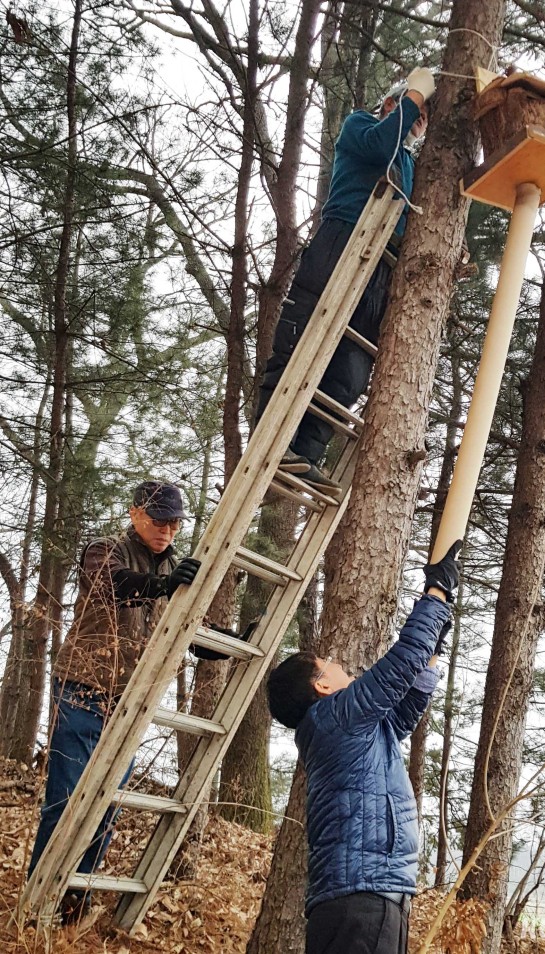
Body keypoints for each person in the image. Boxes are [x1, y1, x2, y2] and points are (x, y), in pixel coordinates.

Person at [28, 480, 227, 924]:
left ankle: (72, 908)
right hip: (82, 687)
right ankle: (37, 901)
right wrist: (162, 584)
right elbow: (110, 585)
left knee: (106, 805)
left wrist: (237, 641)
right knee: (66, 800)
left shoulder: (176, 566)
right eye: (159, 521)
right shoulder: (106, 548)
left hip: (129, 703)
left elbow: (194, 632)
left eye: (174, 524)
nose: (167, 531)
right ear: (136, 513)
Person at [267, 538, 462, 954]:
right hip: (363, 898)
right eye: (329, 664)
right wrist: (436, 595)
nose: (340, 665)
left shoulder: (339, 729)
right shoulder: (334, 716)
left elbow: (403, 713)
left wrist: (433, 647)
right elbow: (399, 666)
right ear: (321, 686)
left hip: (360, 897)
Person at [255, 67, 436, 495]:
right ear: (390, 104)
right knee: (302, 341)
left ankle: (304, 453)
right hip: (343, 239)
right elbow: (379, 145)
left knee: (351, 372)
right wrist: (415, 96)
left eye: (422, 120)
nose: (416, 124)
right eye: (412, 112)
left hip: (380, 267)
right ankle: (271, 441)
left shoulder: (408, 163)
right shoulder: (362, 126)